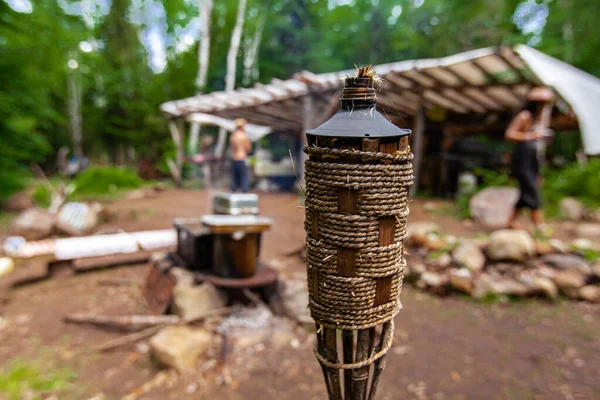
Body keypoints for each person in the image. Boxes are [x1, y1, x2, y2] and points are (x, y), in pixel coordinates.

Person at [505, 87, 554, 230]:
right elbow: (509, 134)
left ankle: (511, 222)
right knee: (531, 189)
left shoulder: (538, 120)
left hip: (533, 157)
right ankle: (539, 224)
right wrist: (530, 136)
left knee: (527, 190)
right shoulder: (524, 116)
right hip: (522, 157)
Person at [229, 118, 251, 193]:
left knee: (234, 177)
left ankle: (233, 190)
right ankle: (244, 191)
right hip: (242, 158)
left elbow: (233, 147)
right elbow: (248, 148)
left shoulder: (233, 136)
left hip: (234, 158)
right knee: (243, 177)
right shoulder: (244, 136)